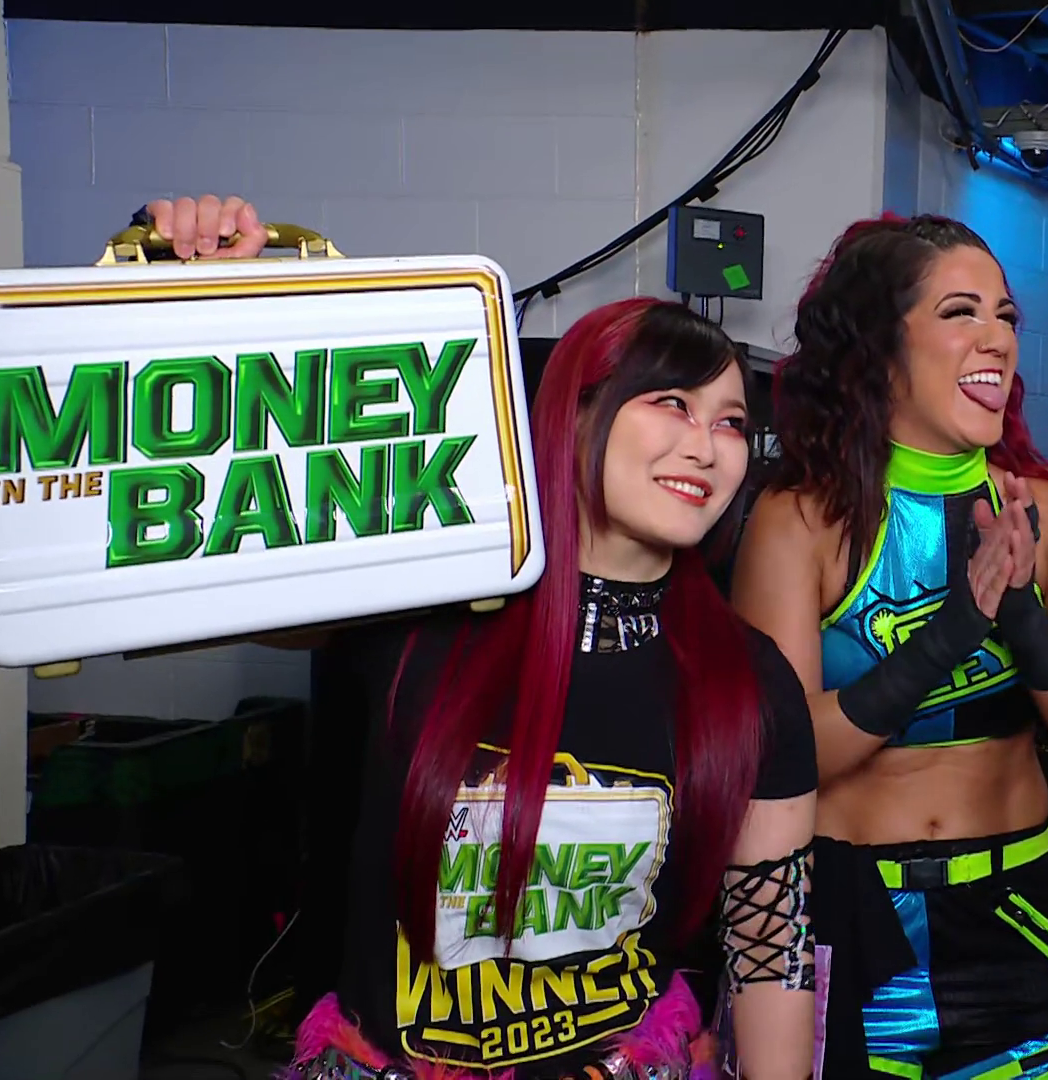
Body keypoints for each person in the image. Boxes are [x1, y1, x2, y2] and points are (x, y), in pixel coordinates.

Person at [139, 197, 821, 1080]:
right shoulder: (421, 608)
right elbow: (186, 579)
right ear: (572, 414)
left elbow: (770, 956)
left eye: (730, 421)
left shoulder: (749, 681)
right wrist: (201, 303)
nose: (709, 446)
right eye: (671, 404)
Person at [729, 215, 1048, 1079]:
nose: (996, 337)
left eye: (1006, 315)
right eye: (961, 312)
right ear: (880, 348)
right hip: (854, 921)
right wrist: (949, 637)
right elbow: (776, 758)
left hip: (1019, 919)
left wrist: (1021, 615)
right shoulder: (801, 520)